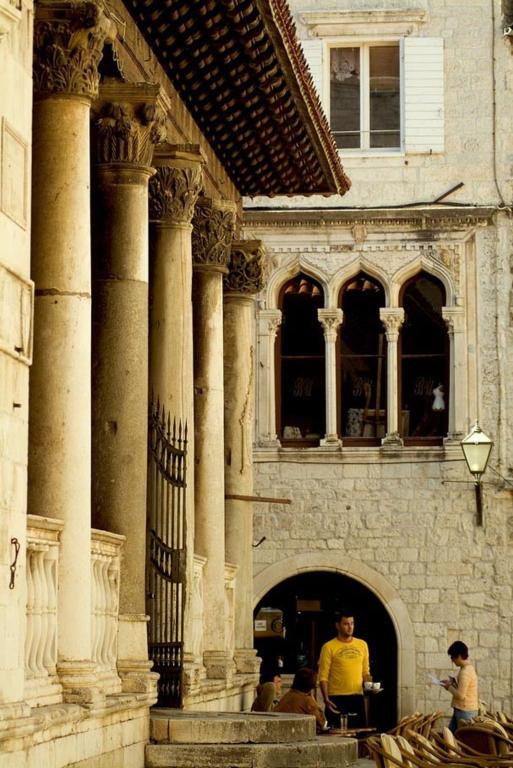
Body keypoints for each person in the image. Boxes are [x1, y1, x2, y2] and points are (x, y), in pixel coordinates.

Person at [318, 610, 371, 728]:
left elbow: (365, 671)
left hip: (357, 696)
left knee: (358, 733)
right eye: (346, 624)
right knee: (336, 733)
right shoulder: (328, 647)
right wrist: (326, 699)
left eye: (352, 623)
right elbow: (323, 676)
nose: (350, 627)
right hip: (336, 698)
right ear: (337, 626)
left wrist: (370, 684)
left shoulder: (362, 645)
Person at [274, 667, 327, 732]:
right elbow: (322, 723)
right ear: (312, 686)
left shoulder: (287, 695)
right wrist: (313, 700)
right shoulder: (307, 700)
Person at [442, 640, 479, 732]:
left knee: (461, 738)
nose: (452, 660)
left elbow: (460, 695)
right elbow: (464, 688)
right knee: (450, 735)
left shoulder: (465, 672)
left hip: (465, 711)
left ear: (458, 656)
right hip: (464, 709)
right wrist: (453, 683)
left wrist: (448, 687)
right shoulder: (468, 668)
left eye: (452, 657)